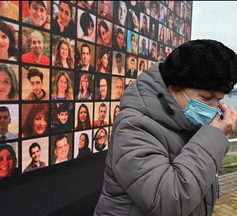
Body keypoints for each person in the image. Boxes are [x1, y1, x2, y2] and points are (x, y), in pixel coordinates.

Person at [94, 39, 237, 215]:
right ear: (174, 89)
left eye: (219, 100)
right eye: (206, 98)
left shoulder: (187, 122)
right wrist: (214, 135)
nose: (215, 110)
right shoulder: (133, 126)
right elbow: (171, 199)